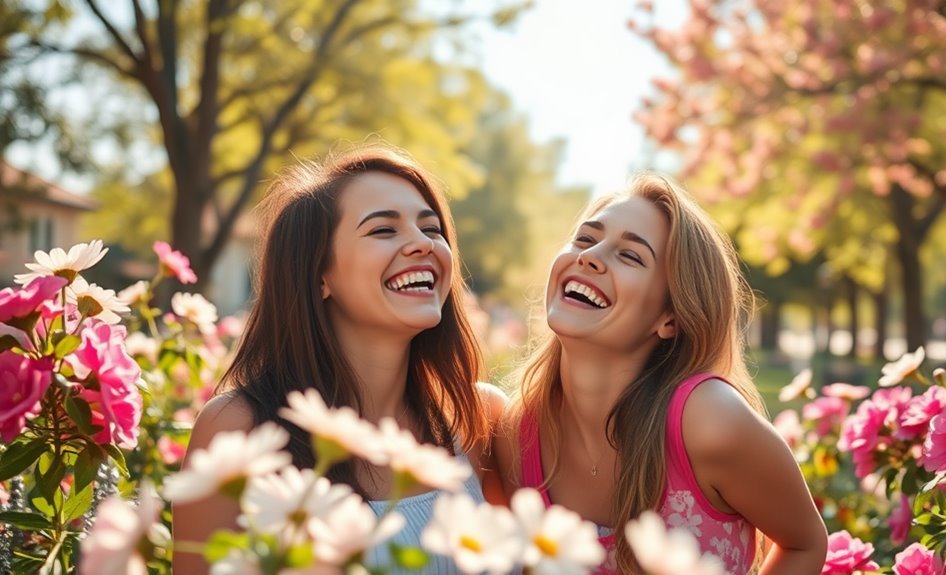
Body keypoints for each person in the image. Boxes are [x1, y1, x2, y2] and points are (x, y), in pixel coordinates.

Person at [173, 144, 506, 573]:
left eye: (432, 228)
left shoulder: (479, 420)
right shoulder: (237, 428)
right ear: (319, 275)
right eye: (384, 230)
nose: (422, 244)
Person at [497, 174, 827, 574]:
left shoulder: (709, 420)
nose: (590, 255)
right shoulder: (516, 436)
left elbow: (805, 543)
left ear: (669, 318)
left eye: (631, 255)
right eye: (585, 239)